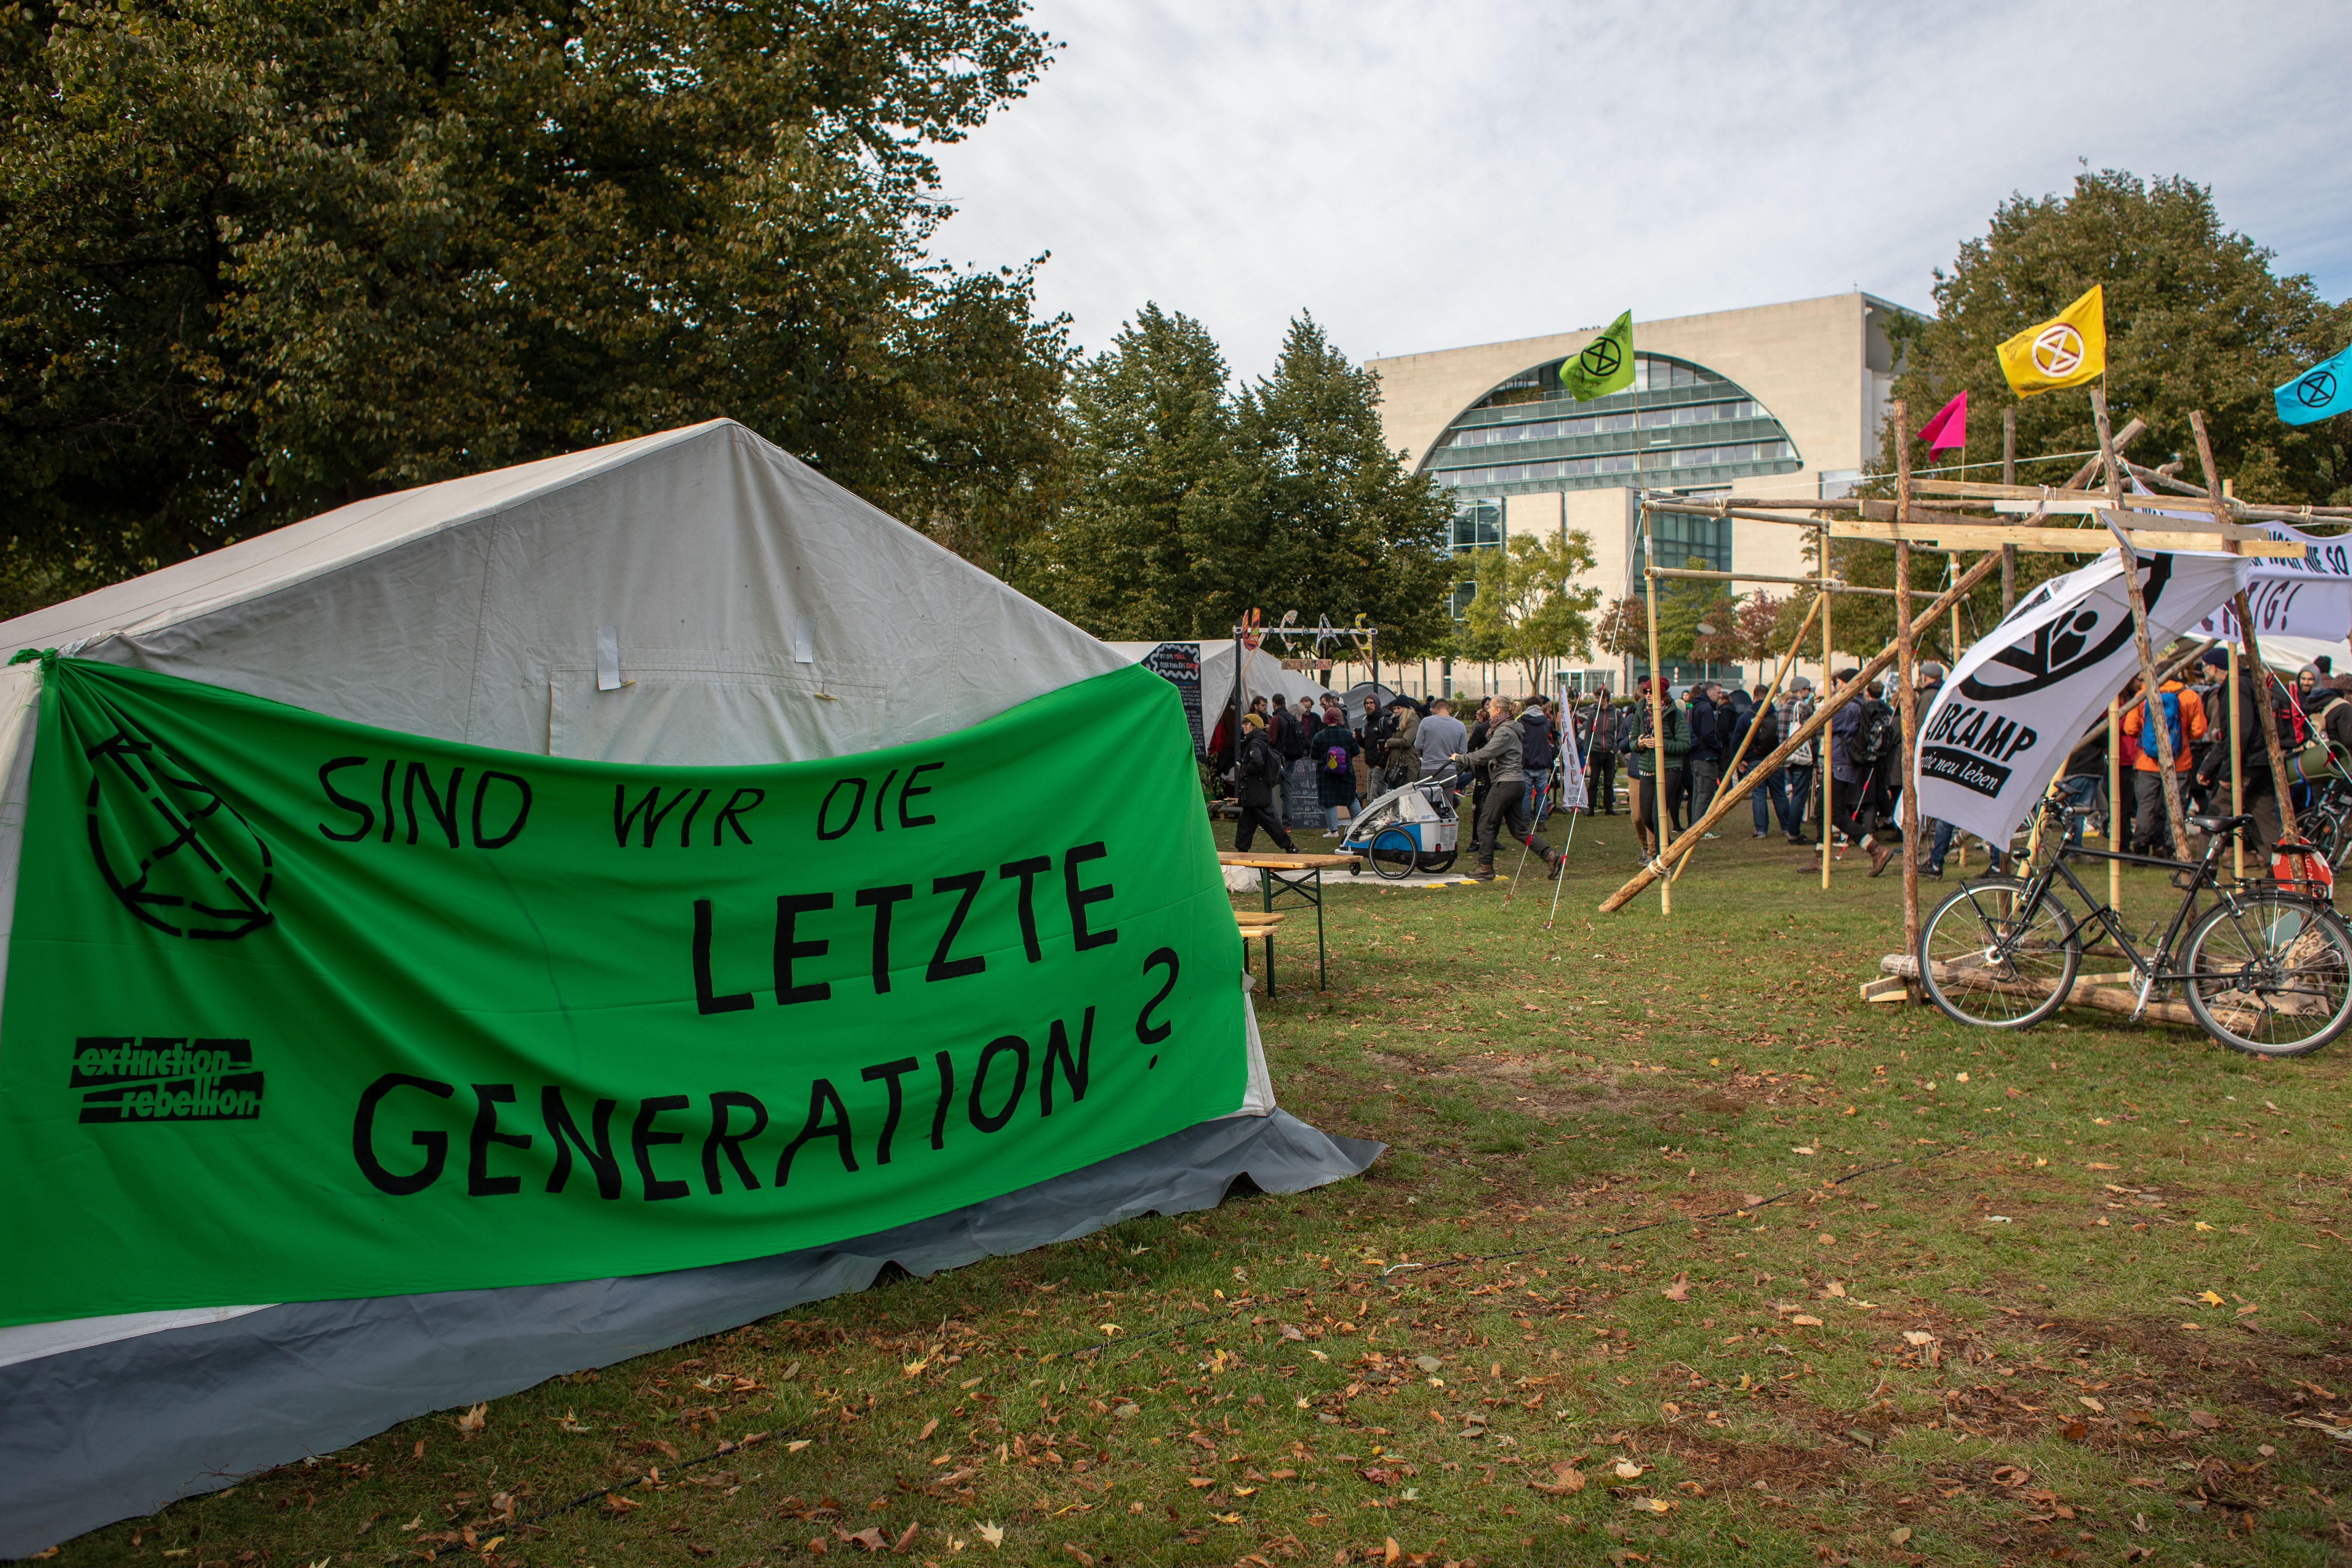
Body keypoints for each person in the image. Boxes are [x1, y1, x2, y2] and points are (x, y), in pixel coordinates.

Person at [1452, 696, 1561, 882]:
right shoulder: (1509, 728)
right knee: (1519, 829)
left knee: (1485, 823)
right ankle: (1551, 856)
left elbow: (1485, 754)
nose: (1489, 711)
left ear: (1499, 711)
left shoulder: (1505, 731)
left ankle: (1485, 867)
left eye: (1491, 708)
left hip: (1506, 783)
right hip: (1516, 782)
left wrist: (1459, 758)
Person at [2195, 648, 2284, 858]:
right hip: (2261, 761)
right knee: (2264, 819)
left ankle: (2201, 869)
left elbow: (2240, 732)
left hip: (2246, 762)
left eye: (2205, 666)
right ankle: (2279, 871)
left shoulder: (2237, 685)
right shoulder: (2251, 682)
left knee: (2217, 816)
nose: (2204, 670)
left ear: (2214, 667)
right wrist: (2209, 767)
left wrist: (2228, 772)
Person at [2121, 661, 2210, 856]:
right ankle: (2172, 847)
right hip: (2180, 761)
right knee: (2175, 806)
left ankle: (2141, 846)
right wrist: (2181, 736)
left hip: (2147, 762)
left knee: (2146, 806)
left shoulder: (2143, 695)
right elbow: (2199, 731)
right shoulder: (2189, 696)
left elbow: (2130, 728)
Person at [1827, 668, 1895, 876]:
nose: (1836, 687)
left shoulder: (1849, 708)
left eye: (1839, 683)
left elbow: (1823, 726)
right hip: (1844, 764)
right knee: (1825, 812)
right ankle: (1819, 858)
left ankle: (1876, 849)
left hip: (1840, 765)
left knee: (1836, 814)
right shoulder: (1858, 706)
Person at [1625, 680, 1689, 864]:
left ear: (1662, 694)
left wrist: (1661, 744)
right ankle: (1669, 845)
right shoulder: (1640, 712)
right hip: (1646, 770)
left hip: (1669, 769)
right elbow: (1632, 744)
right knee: (1646, 816)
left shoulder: (1675, 714)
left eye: (1651, 692)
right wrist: (1639, 743)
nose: (1648, 695)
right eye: (1646, 692)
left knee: (1657, 814)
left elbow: (1685, 745)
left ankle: (1663, 857)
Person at [1231, 713, 1298, 853]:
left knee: (1268, 820)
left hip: (1256, 789)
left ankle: (1289, 845)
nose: (1244, 726)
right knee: (1246, 821)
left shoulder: (1255, 742)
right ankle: (1242, 849)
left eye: (1246, 724)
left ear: (1255, 726)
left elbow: (1257, 762)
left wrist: (1245, 771)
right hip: (1255, 789)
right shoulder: (1257, 740)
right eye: (1243, 724)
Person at [1739, 683, 1793, 840]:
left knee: (1759, 795)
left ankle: (1761, 830)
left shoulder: (1747, 717)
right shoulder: (1777, 715)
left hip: (1754, 760)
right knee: (1779, 794)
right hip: (1775, 760)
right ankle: (1787, 827)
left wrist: (1741, 760)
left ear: (1755, 697)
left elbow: (1737, 740)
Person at [1307, 703, 1361, 837]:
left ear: (1326, 718)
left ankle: (1334, 831)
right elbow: (1356, 752)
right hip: (1346, 773)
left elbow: (1314, 755)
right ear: (1340, 719)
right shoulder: (1348, 735)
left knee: (1329, 802)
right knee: (1352, 800)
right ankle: (1360, 827)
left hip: (1326, 775)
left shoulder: (1320, 736)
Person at [1779, 676, 1817, 843]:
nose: (1810, 692)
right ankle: (1794, 833)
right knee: (1800, 796)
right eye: (1809, 689)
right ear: (1802, 690)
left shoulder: (1783, 706)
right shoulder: (1804, 708)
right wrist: (1815, 757)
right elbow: (1811, 734)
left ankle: (1791, 829)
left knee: (1794, 793)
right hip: (1802, 757)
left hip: (1787, 756)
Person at [1686, 681, 1725, 827]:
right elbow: (1708, 734)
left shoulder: (1696, 707)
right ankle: (1699, 829)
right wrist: (1718, 746)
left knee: (1698, 793)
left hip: (1696, 755)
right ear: (1709, 693)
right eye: (1718, 692)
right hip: (1705, 756)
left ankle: (1695, 827)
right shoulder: (1706, 708)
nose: (1720, 696)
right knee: (1706, 793)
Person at [1417, 697, 1468, 792]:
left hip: (1429, 770)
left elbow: (1418, 746)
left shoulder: (1426, 722)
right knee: (1448, 800)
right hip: (1450, 770)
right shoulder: (1461, 725)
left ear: (1434, 710)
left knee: (1427, 800)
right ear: (1450, 710)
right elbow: (1463, 752)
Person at [1584, 698, 1617, 815]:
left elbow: (1619, 731)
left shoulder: (1615, 713)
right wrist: (1586, 752)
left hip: (1609, 752)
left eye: (1598, 698)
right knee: (1594, 781)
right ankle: (1591, 808)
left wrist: (1615, 748)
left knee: (1609, 781)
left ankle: (1609, 807)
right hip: (1595, 751)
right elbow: (1588, 733)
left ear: (1605, 698)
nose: (1595, 700)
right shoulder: (1593, 714)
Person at [1381, 698, 1423, 787]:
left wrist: (1390, 742)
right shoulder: (1397, 722)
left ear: (1406, 709)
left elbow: (1406, 742)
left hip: (1407, 769)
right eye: (1395, 709)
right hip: (1396, 768)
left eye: (1399, 708)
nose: (1396, 711)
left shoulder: (1413, 720)